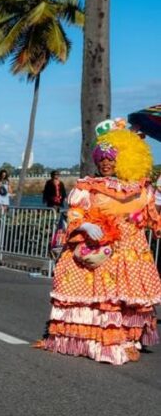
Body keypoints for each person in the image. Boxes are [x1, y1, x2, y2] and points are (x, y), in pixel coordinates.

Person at [35, 120, 161, 365]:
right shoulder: (88, 187)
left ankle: (128, 339)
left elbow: (151, 218)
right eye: (101, 159)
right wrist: (83, 225)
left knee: (130, 298)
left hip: (133, 252)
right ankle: (99, 341)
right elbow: (75, 214)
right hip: (101, 248)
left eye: (111, 159)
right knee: (104, 298)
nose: (105, 163)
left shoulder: (142, 189)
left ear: (125, 160)